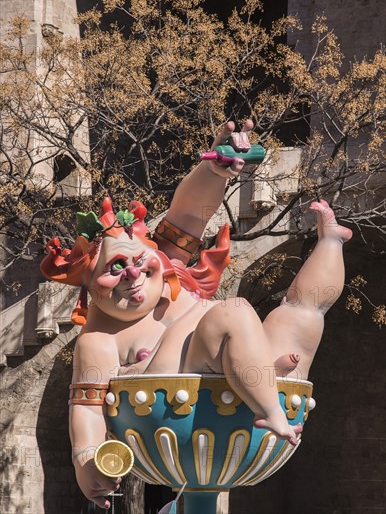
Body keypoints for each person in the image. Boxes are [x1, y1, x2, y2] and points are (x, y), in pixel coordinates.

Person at [40, 121, 352, 509]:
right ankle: (270, 409)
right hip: (201, 416)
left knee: (300, 312)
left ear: (152, 255)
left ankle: (331, 243)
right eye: (115, 268)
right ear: (88, 284)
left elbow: (189, 211)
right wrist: (86, 459)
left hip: (259, 378)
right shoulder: (99, 341)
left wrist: (213, 170)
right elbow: (86, 409)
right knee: (235, 311)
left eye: (138, 261)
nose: (133, 274)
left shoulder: (172, 267)